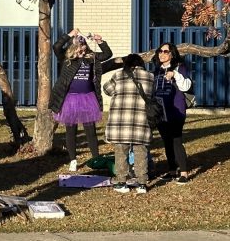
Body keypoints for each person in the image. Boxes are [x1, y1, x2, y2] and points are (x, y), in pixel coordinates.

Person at [50, 28, 112, 171]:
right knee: (70, 129)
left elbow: (108, 54)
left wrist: (100, 41)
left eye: (84, 50)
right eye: (80, 51)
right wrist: (69, 35)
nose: (82, 53)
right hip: (70, 99)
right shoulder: (66, 58)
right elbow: (56, 46)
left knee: (90, 129)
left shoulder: (91, 58)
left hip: (88, 98)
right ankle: (73, 159)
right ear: (74, 48)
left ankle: (96, 157)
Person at [105, 54, 155, 194]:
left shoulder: (119, 75)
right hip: (141, 122)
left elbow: (107, 90)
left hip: (121, 123)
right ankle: (142, 184)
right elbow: (153, 94)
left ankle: (121, 182)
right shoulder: (150, 77)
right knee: (141, 152)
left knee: (121, 152)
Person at [152, 42, 192, 184]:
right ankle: (172, 170)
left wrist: (175, 74)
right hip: (160, 111)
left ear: (172, 54)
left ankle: (184, 173)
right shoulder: (157, 70)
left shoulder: (180, 67)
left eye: (165, 51)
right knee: (166, 141)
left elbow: (186, 86)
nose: (162, 54)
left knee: (176, 140)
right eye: (160, 51)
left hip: (176, 110)